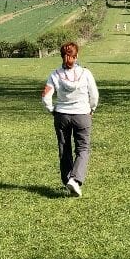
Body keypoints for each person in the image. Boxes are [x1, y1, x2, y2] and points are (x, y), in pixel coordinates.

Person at [41, 42, 99, 197]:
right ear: (77, 55)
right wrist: (91, 109)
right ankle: (75, 179)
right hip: (82, 115)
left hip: (62, 115)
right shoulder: (86, 73)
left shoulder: (54, 74)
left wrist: (52, 110)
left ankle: (68, 179)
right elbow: (94, 95)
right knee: (83, 149)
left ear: (61, 56)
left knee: (64, 149)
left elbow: (46, 96)